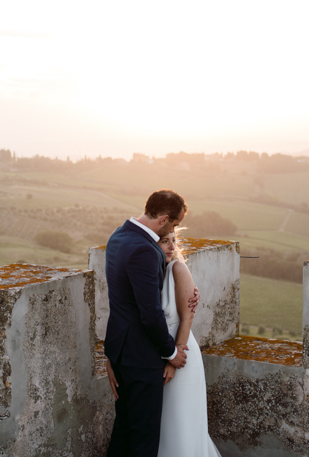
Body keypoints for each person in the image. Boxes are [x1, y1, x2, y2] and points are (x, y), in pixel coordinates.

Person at [105, 189, 197, 457]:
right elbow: (150, 313)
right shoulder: (145, 250)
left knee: (123, 429)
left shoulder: (118, 236)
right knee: (144, 439)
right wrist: (171, 352)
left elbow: (120, 302)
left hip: (121, 352)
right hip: (142, 357)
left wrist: (111, 355)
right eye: (175, 224)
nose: (174, 231)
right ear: (164, 218)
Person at [155, 226, 222, 457]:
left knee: (181, 425)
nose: (172, 246)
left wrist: (175, 359)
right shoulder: (151, 272)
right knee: (167, 426)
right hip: (163, 355)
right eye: (165, 241)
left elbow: (187, 316)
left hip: (181, 355)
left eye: (174, 240)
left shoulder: (177, 268)